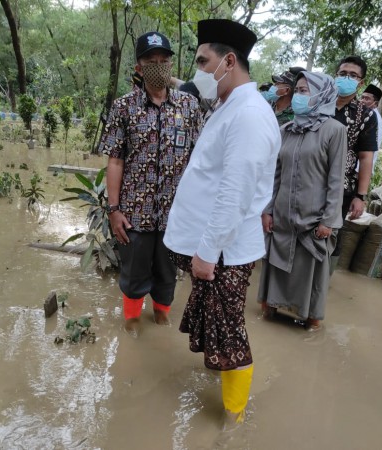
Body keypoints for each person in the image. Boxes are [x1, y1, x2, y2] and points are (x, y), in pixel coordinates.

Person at [164, 19, 281, 428]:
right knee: (220, 327)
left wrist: (207, 253)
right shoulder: (229, 106)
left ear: (228, 61)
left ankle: (233, 421)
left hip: (224, 251)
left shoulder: (248, 114)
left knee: (230, 334)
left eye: (203, 61)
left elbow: (236, 193)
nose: (198, 71)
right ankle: (229, 402)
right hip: (216, 248)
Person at [98, 31, 203, 337]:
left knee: (168, 272)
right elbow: (115, 160)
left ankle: (161, 314)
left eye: (164, 60)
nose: (159, 66)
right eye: (151, 61)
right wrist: (114, 209)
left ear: (171, 64)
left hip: (176, 215)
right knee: (133, 271)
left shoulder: (189, 107)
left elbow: (199, 162)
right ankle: (131, 318)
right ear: (139, 67)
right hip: (134, 212)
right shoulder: (124, 107)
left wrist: (196, 211)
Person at [258, 72, 347, 331]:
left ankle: (311, 321)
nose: (298, 95)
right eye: (297, 90)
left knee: (311, 272)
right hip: (282, 215)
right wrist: (268, 210)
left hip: (314, 219)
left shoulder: (334, 130)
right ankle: (270, 312)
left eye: (305, 91)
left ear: (322, 94)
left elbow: (335, 178)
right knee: (275, 267)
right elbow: (275, 174)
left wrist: (329, 219)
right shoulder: (287, 130)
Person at [331, 55, 378, 269]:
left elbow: (366, 157)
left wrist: (360, 196)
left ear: (360, 82)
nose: (346, 78)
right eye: (342, 74)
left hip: (341, 187)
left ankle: (321, 283)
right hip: (307, 180)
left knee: (331, 233)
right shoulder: (319, 105)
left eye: (352, 75)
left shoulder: (365, 115)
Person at [360, 83, 382, 170]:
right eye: (362, 97)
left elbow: (371, 149)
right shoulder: (364, 115)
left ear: (375, 103)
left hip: (362, 169)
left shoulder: (376, 120)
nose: (362, 101)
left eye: (367, 99)